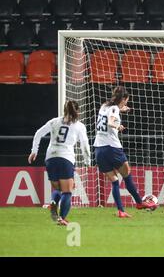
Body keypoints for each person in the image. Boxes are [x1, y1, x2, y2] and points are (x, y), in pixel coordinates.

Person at [94, 86, 155, 218]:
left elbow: (110, 113)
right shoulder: (114, 109)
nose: (126, 103)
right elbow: (111, 122)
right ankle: (139, 203)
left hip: (99, 149)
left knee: (115, 180)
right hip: (112, 148)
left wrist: (121, 110)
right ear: (123, 99)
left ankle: (121, 211)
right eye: (126, 101)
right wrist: (118, 125)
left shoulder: (105, 105)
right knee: (127, 174)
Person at [28, 100, 90, 226]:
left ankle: (53, 203)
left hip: (50, 157)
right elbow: (85, 145)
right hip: (65, 158)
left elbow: (38, 133)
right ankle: (61, 218)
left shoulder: (54, 121)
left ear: (64, 110)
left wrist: (34, 151)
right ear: (77, 111)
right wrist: (87, 161)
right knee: (67, 191)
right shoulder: (79, 126)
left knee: (57, 188)